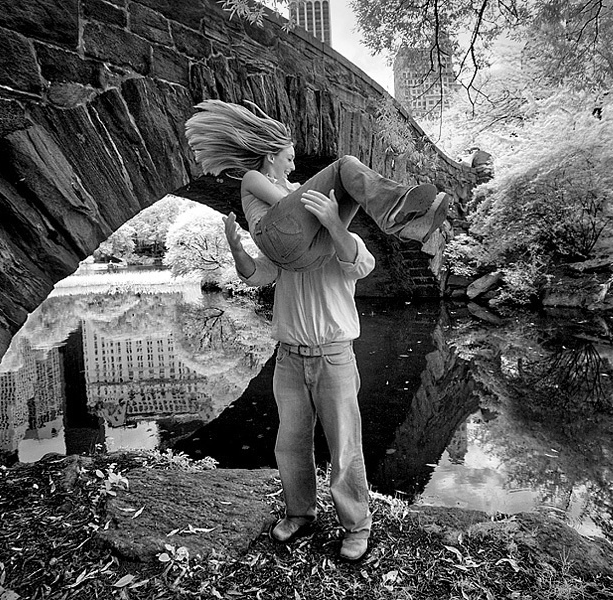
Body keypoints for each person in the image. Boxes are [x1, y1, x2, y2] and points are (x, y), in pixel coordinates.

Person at [222, 198, 375, 561]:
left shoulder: (344, 242)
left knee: (344, 445)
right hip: (289, 358)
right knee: (290, 443)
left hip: (334, 356)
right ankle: (299, 513)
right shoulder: (285, 252)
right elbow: (254, 274)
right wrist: (235, 247)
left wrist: (334, 222)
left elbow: (361, 265)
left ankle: (356, 526)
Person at [185, 99, 450, 273]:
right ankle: (394, 210)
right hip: (277, 238)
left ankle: (409, 224)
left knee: (352, 187)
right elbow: (282, 202)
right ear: (270, 157)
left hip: (310, 256)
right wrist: (308, 190)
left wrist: (328, 206)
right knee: (345, 165)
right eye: (289, 158)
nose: (292, 166)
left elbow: (298, 203)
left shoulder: (293, 186)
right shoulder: (253, 178)